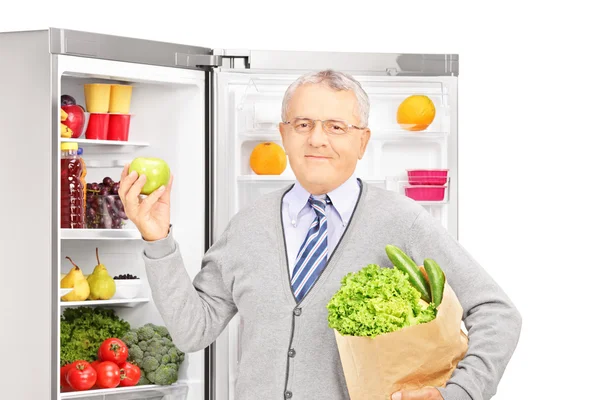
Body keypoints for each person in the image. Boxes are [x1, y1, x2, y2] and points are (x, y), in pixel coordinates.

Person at [118, 69, 522, 400]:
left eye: (336, 126)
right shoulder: (247, 226)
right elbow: (193, 331)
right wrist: (158, 240)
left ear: (362, 141)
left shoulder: (403, 221)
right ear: (284, 134)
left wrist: (459, 394)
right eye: (303, 124)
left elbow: (497, 312)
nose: (317, 139)